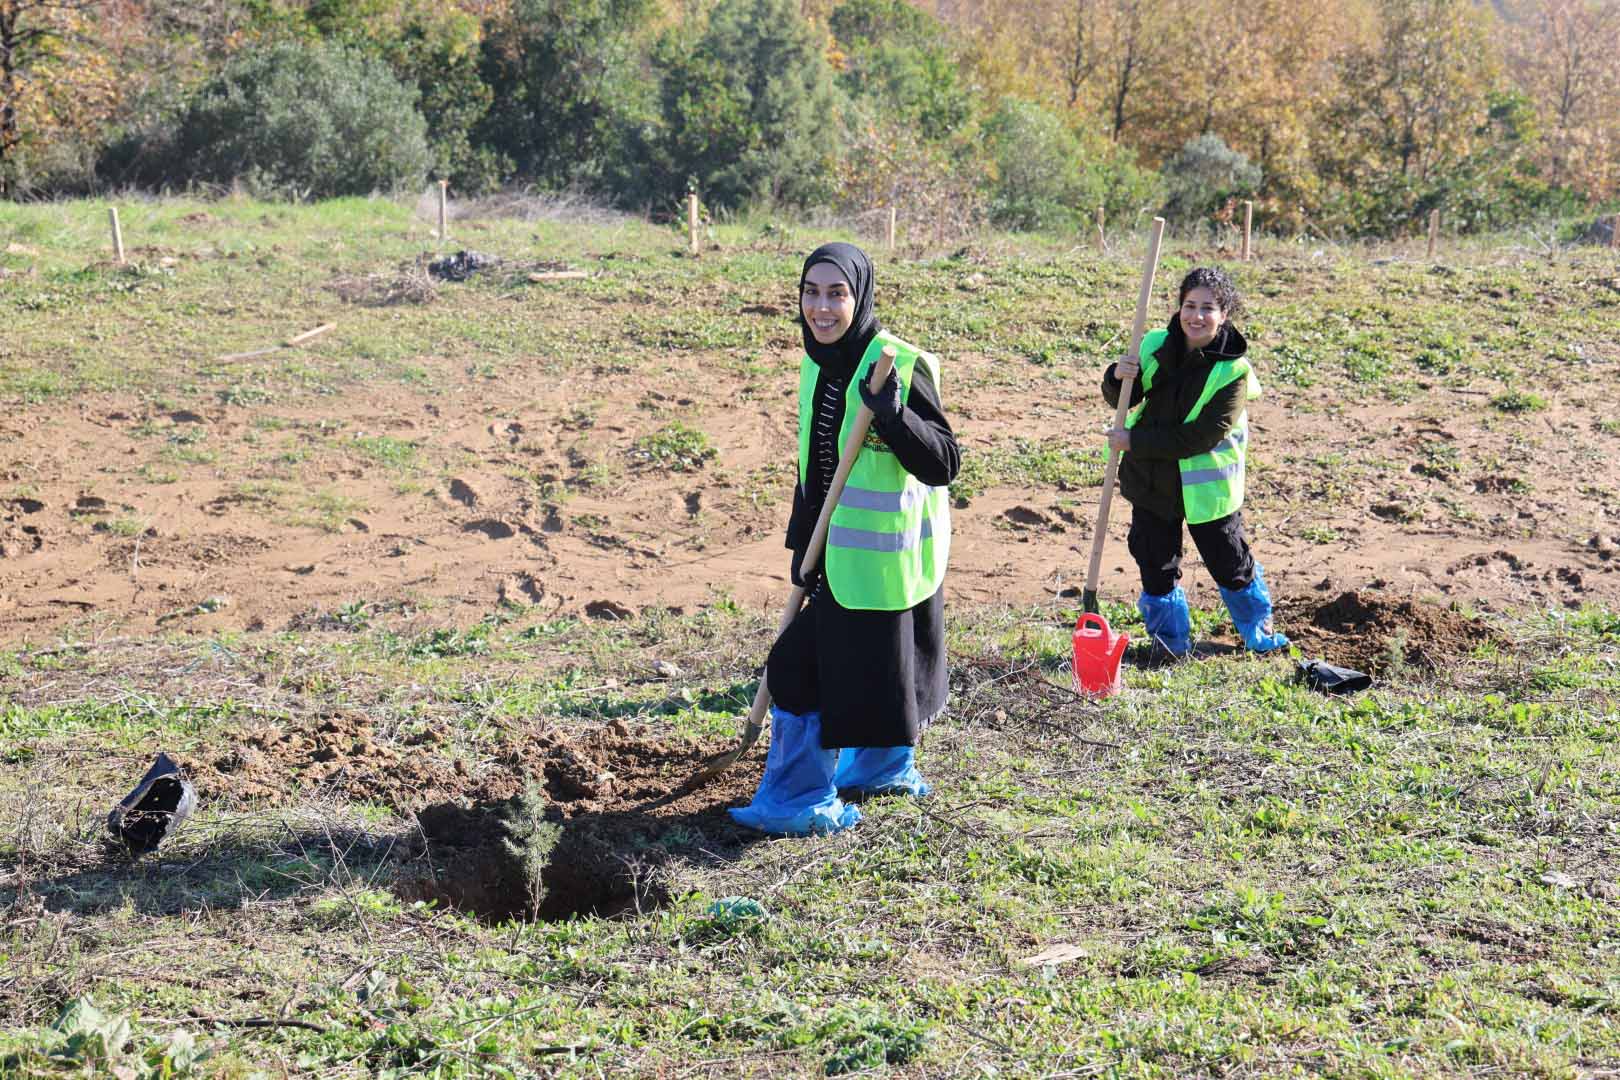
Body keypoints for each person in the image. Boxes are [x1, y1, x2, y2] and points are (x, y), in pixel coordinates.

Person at [729, 242, 960, 836]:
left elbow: (943, 463)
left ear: (861, 297)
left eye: (837, 294)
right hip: (835, 551)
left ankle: (797, 800)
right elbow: (816, 465)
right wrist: (800, 549)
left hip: (886, 558)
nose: (822, 308)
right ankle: (881, 768)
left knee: (797, 667)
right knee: (878, 669)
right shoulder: (817, 362)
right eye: (811, 292)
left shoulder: (896, 365)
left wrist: (894, 415)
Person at [1100, 266, 1288, 658]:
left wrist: (1134, 441)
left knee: (1230, 562)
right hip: (1152, 479)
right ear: (1179, 307)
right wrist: (1117, 376)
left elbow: (1202, 435)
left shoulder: (1234, 372)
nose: (1196, 316)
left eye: (1208, 308)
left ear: (1224, 314)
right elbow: (1123, 399)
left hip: (1208, 489)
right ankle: (1169, 643)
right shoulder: (1154, 344)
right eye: (1190, 305)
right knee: (1155, 562)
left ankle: (1260, 635)